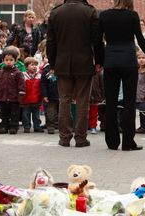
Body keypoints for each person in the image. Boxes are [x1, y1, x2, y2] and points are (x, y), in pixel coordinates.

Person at [97, 0, 145, 151]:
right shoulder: (132, 15)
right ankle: (128, 142)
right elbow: (140, 39)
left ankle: (112, 141)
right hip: (128, 60)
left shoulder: (104, 15)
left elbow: (98, 41)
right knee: (129, 102)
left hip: (110, 60)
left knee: (111, 101)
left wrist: (99, 61)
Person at [47, 0, 104, 147]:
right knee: (83, 101)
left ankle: (64, 137)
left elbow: (51, 41)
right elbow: (97, 40)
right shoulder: (90, 11)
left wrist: (52, 63)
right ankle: (80, 137)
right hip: (84, 63)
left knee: (64, 100)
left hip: (62, 63)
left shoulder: (56, 12)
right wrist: (99, 61)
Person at [0, 49, 26, 134]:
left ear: (15, 61)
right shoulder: (0, 73)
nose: (9, 62)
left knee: (14, 114)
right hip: (3, 97)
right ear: (3, 61)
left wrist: (20, 97)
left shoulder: (18, 73)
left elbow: (21, 86)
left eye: (11, 60)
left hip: (14, 99)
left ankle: (13, 126)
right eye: (6, 60)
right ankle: (3, 126)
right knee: (3, 113)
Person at [21, 57, 43, 133]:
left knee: (36, 115)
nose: (34, 66)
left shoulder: (39, 76)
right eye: (32, 65)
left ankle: (37, 126)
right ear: (26, 67)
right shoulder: (23, 76)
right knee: (25, 115)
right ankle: (26, 127)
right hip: (26, 100)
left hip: (36, 99)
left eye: (36, 65)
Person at [40, 62, 59, 134]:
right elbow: (43, 83)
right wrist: (45, 95)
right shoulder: (46, 70)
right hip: (50, 96)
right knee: (50, 112)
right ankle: (50, 126)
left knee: (62, 112)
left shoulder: (63, 67)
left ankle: (62, 126)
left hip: (62, 95)